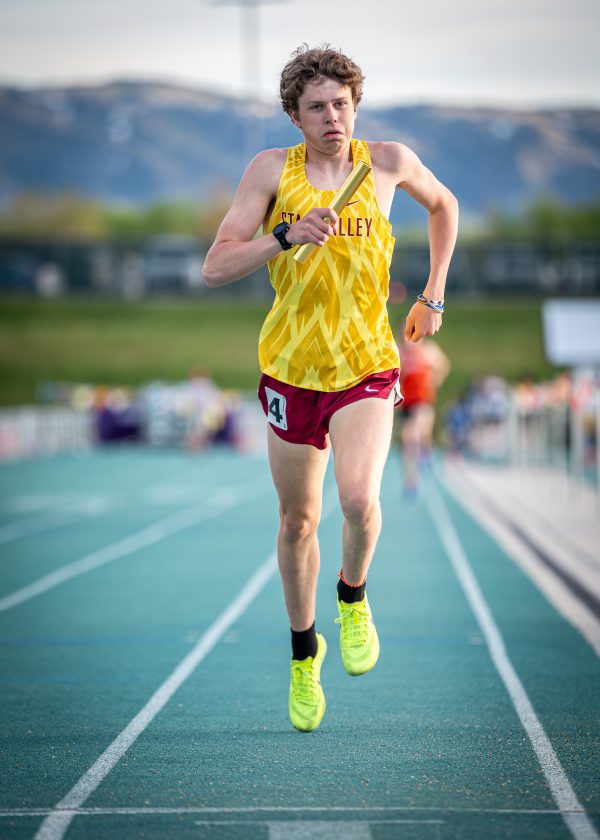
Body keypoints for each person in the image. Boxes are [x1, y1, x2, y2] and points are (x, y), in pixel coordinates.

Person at [203, 45, 458, 732]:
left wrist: (433, 294)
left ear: (356, 105)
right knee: (298, 522)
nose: (332, 117)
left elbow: (445, 206)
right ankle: (302, 652)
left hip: (366, 364)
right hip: (291, 369)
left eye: (341, 104)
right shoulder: (270, 171)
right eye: (316, 107)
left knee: (360, 501)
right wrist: (285, 236)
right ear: (295, 116)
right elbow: (215, 267)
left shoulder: (388, 162)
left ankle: (352, 596)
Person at [396, 327, 451, 498]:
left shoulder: (429, 349)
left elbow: (444, 365)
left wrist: (434, 381)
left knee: (414, 434)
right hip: (406, 403)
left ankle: (425, 454)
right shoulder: (398, 351)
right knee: (407, 442)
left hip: (423, 401)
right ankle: (411, 478)